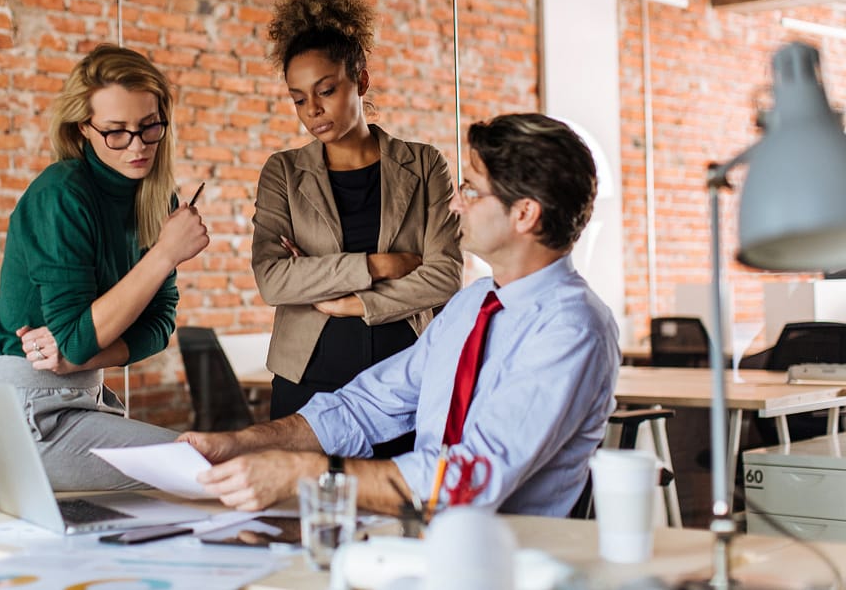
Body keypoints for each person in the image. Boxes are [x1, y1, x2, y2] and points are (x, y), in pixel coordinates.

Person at [181, 114, 620, 516]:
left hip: (509, 561)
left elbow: (469, 481)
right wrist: (241, 443)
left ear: (524, 213)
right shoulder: (473, 305)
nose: (454, 205)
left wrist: (302, 473)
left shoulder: (570, 327)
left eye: (470, 190)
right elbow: (366, 406)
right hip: (429, 543)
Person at [0, 44, 209, 491]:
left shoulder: (158, 198)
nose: (138, 146)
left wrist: (80, 357)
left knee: (209, 471)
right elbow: (77, 338)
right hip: (23, 415)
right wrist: (166, 253)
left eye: (149, 127)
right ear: (84, 127)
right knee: (203, 472)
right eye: (116, 132)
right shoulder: (61, 194)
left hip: (82, 397)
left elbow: (159, 326)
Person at [253, 0, 463, 457]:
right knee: (305, 512)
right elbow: (273, 281)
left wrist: (352, 301)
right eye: (299, 98)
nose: (312, 110)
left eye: (325, 90)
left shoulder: (425, 163)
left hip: (406, 371)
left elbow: (445, 275)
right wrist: (376, 265)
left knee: (404, 509)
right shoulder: (283, 172)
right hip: (308, 374)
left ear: (361, 80)